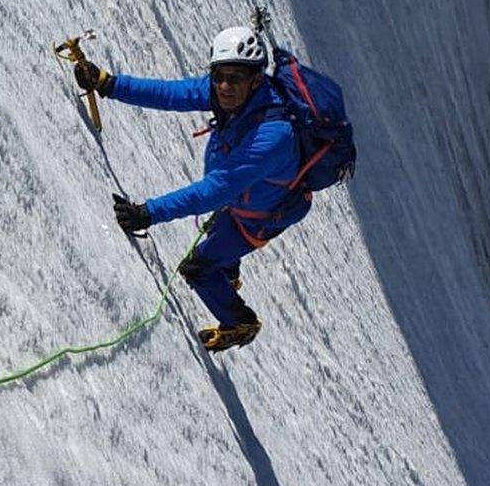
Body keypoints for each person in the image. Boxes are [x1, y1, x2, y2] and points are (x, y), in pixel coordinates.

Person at [74, 26, 312, 352]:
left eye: (236, 78)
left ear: (257, 80)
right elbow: (173, 94)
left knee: (198, 268)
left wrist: (148, 213)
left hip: (261, 214)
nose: (225, 86)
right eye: (219, 76)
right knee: (220, 234)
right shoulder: (230, 94)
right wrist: (108, 83)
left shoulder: (273, 136)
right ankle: (227, 270)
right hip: (244, 198)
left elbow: (215, 191)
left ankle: (239, 324)